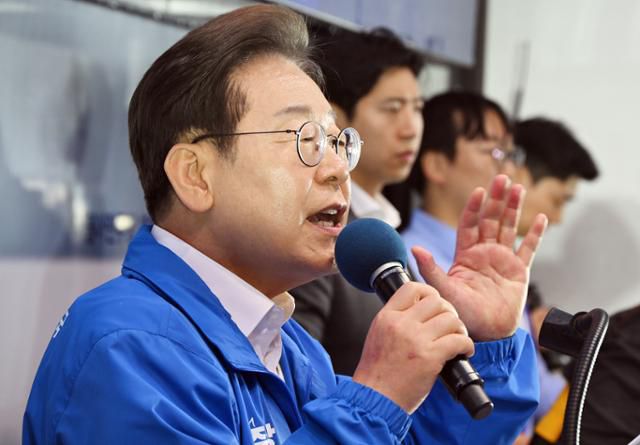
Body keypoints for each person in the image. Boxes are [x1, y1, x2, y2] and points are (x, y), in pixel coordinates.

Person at [23, 5, 546, 444]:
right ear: (195, 175)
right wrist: (375, 397)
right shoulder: (127, 346)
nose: (337, 168)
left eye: (337, 142)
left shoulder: (292, 347)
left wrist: (488, 345)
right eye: (304, 140)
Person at [291, 25, 426, 375]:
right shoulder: (320, 233)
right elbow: (301, 378)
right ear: (334, 118)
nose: (411, 128)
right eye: (392, 108)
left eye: (417, 108)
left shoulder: (383, 227)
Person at [507, 117, 600, 445]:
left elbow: (544, 398)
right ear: (519, 175)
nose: (558, 218)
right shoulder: (431, 262)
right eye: (558, 200)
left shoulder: (521, 282)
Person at [402, 91, 524, 276]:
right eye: (494, 152)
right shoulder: (408, 264)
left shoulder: (495, 254)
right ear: (437, 166)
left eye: (509, 154)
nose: (510, 170)